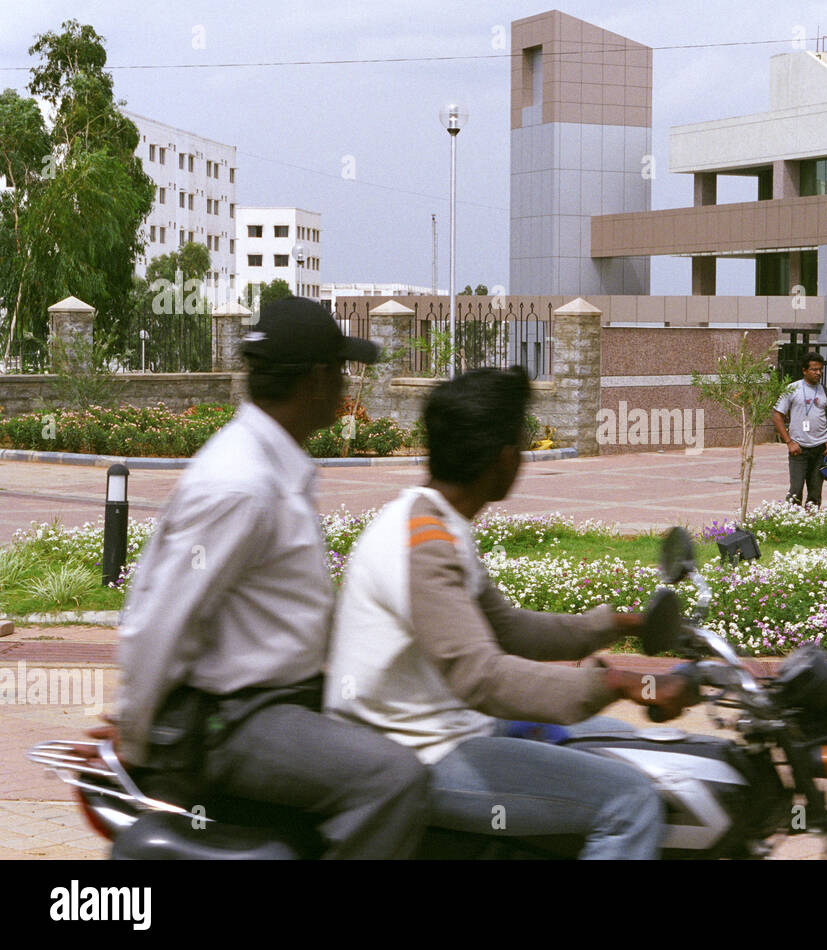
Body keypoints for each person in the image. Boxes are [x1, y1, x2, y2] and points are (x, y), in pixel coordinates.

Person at [324, 366, 693, 860]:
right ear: (504, 459)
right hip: (419, 752)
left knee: (635, 747)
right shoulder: (422, 543)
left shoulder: (436, 521)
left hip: (452, 726)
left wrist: (622, 624)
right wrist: (621, 683)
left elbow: (506, 628)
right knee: (632, 800)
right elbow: (481, 676)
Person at [108, 297, 430, 859]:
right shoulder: (241, 482)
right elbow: (161, 618)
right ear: (315, 379)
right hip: (240, 721)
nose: (346, 386)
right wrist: (134, 740)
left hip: (285, 704)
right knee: (394, 780)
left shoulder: (272, 464)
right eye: (340, 371)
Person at [772, 351, 827, 507]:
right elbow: (777, 415)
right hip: (799, 449)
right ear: (804, 370)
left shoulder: (825, 391)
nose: (818, 373)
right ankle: (792, 522)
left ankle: (812, 521)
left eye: (820, 370)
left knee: (815, 493)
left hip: (820, 449)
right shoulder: (793, 389)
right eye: (814, 369)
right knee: (795, 491)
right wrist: (789, 442)